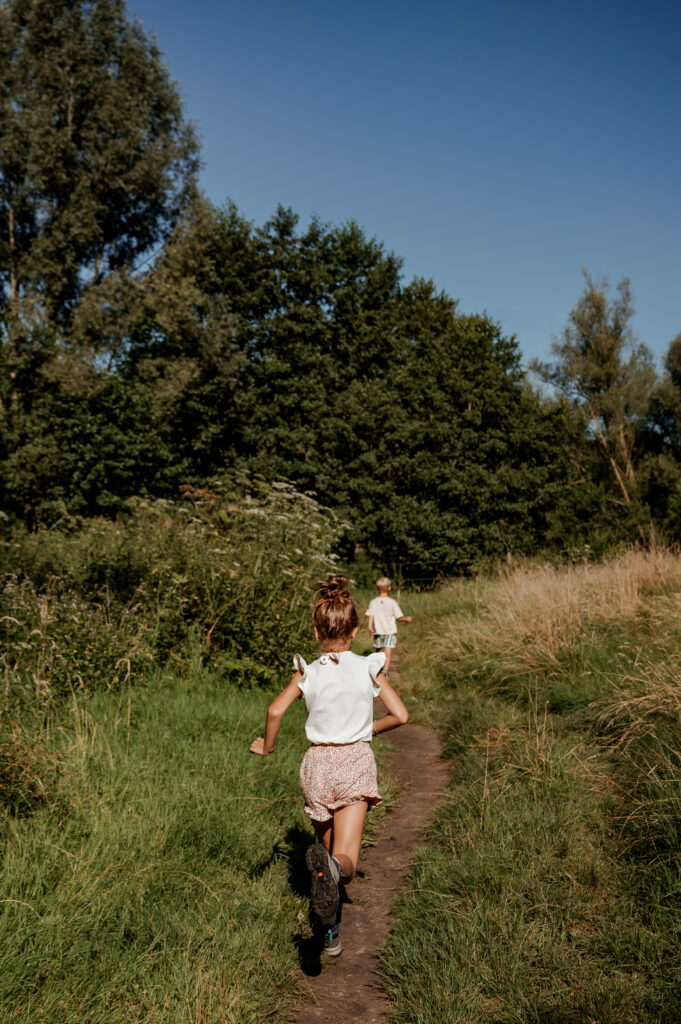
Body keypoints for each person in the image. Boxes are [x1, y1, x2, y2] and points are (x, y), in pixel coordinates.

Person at [249, 574, 409, 957]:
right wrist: (370, 727)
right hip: (353, 760)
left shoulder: (308, 671)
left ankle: (330, 932)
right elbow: (401, 715)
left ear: (317, 633)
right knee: (344, 859)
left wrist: (268, 747)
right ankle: (336, 879)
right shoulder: (370, 666)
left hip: (317, 765)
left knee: (327, 852)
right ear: (355, 631)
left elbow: (275, 710)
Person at [365, 576, 412, 674]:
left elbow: (370, 615)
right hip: (390, 632)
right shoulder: (392, 602)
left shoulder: (373, 602)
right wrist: (407, 619)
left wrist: (370, 627)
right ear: (389, 588)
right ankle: (385, 670)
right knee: (388, 651)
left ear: (377, 588)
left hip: (378, 631)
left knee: (378, 650)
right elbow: (399, 617)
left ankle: (378, 669)